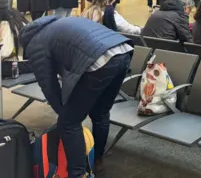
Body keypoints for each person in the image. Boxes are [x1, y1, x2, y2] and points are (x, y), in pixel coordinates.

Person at [20, 16, 133, 178]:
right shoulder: (58, 24)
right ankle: (97, 160)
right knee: (100, 113)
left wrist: (63, 112)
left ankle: (78, 174)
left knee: (69, 123)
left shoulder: (35, 43)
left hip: (99, 59)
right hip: (123, 50)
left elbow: (48, 84)